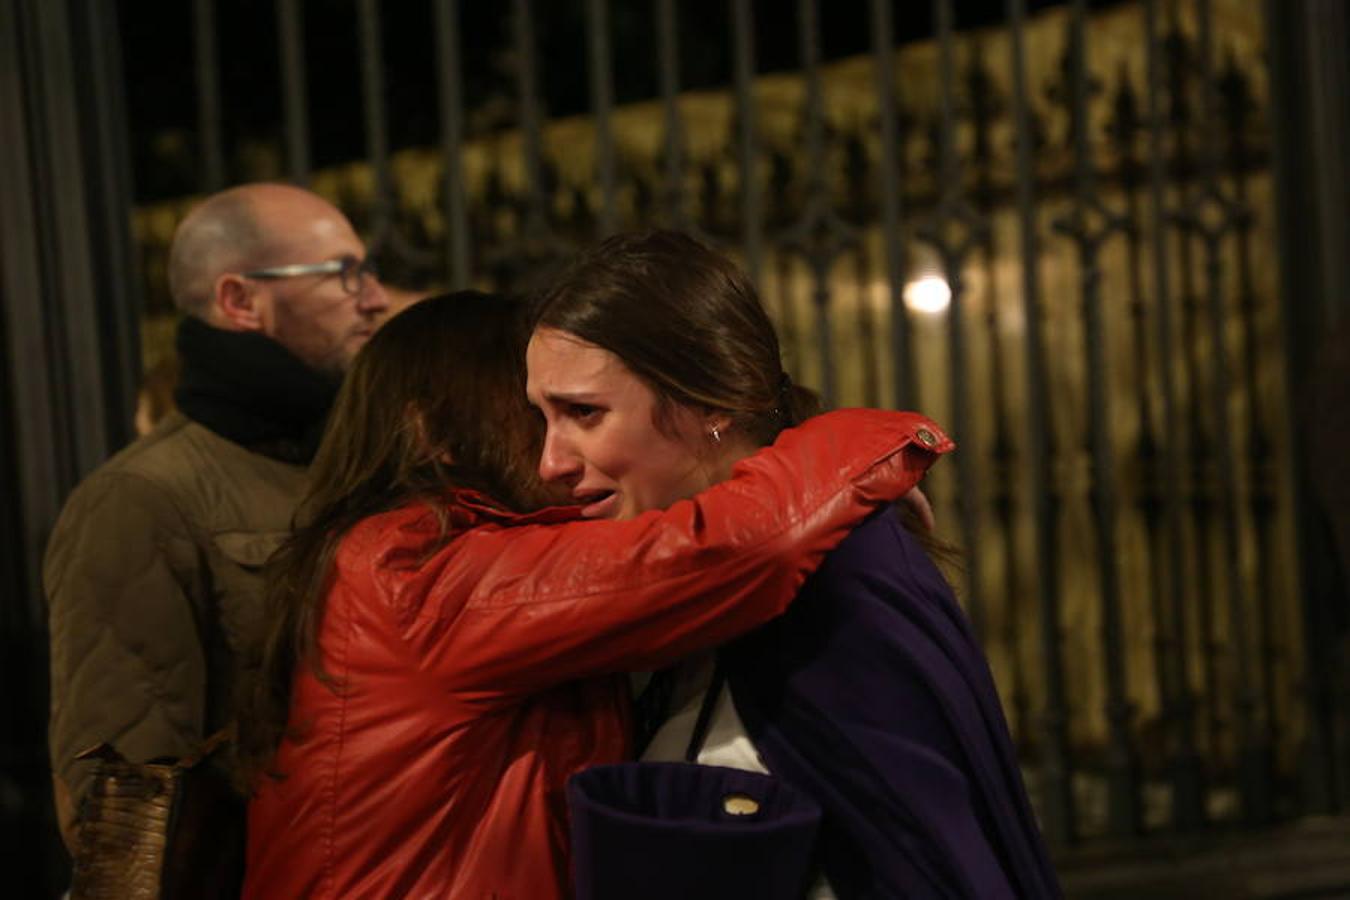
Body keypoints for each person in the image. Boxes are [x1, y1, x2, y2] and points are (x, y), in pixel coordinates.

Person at [237, 290, 947, 899]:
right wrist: (867, 447)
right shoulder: (421, 570)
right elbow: (719, 552)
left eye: (577, 411)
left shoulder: (389, 553)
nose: (554, 450)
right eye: (529, 412)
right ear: (432, 430)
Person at [526, 230, 1061, 899]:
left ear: (713, 401)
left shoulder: (840, 576)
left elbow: (925, 854)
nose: (551, 462)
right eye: (541, 419)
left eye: (583, 412)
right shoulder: (667, 572)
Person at [44, 182, 390, 847]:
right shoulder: (141, 498)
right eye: (344, 274)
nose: (373, 297)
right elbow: (127, 802)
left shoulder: (359, 459)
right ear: (240, 301)